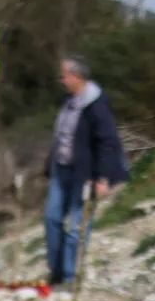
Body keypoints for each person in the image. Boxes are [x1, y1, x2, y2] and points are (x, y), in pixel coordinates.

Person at [43, 55, 128, 288]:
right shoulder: (68, 102)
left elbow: (107, 143)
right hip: (61, 170)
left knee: (76, 227)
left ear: (76, 77)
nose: (61, 80)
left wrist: (103, 178)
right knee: (51, 218)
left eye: (64, 75)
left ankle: (71, 277)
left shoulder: (96, 106)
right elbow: (62, 136)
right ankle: (56, 271)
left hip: (86, 174)